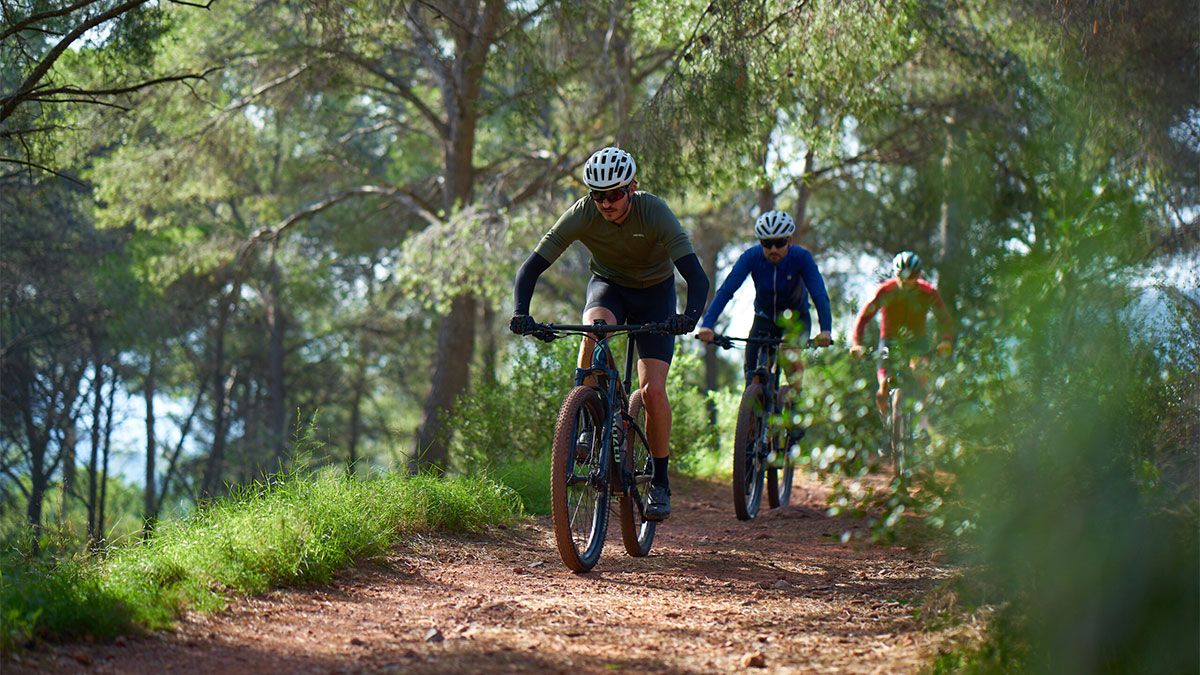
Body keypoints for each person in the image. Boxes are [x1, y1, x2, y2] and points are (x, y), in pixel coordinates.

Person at [509, 146, 710, 521]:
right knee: (593, 328)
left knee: (651, 390)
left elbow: (697, 277)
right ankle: (585, 415)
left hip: (656, 295)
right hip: (609, 287)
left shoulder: (655, 212)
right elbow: (529, 269)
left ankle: (661, 481)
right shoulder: (583, 213)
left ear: (631, 188)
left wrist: (689, 317)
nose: (606, 203)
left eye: (614, 194)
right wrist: (522, 313)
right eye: (597, 195)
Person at [696, 210, 833, 388]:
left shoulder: (801, 258)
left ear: (789, 241)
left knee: (792, 362)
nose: (773, 249)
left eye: (779, 242)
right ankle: (752, 407)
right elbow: (726, 290)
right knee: (751, 371)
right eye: (767, 243)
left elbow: (819, 294)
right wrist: (707, 325)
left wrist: (826, 330)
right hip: (764, 318)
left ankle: (795, 406)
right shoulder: (751, 257)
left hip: (796, 320)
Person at [849, 251, 955, 414]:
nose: (906, 285)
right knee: (885, 375)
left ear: (918, 276)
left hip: (918, 340)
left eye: (910, 282)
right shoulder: (885, 291)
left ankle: (923, 421)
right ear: (896, 275)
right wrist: (857, 344)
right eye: (902, 281)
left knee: (919, 371)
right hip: (890, 339)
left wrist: (946, 341)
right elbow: (863, 318)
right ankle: (884, 393)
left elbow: (945, 320)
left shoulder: (928, 293)